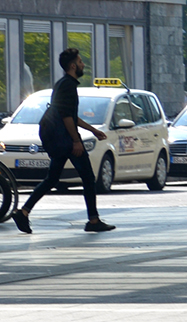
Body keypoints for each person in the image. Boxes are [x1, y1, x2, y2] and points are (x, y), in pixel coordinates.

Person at [8, 48, 114, 234]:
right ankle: (93, 220)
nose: (82, 64)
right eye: (80, 62)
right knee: (88, 178)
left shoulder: (63, 84)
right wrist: (76, 142)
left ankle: (23, 212)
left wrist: (94, 130)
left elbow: (71, 116)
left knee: (51, 179)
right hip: (66, 141)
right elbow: (66, 117)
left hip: (60, 139)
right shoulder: (68, 86)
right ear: (73, 66)